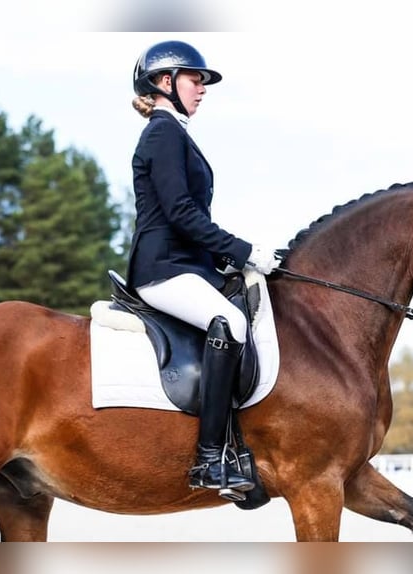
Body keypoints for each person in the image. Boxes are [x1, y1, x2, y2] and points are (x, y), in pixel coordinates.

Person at [128, 40, 281, 495]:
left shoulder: (176, 134)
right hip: (163, 269)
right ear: (164, 82)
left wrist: (229, 259)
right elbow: (180, 213)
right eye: (195, 79)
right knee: (230, 322)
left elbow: (191, 220)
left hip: (186, 264)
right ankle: (210, 459)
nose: (203, 88)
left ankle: (240, 445)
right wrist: (245, 250)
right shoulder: (163, 133)